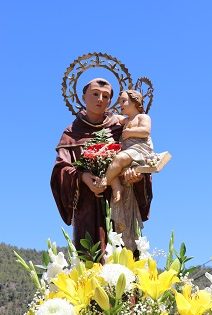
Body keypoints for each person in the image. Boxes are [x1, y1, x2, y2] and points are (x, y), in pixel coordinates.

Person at [50, 78, 153, 254]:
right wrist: (83, 177)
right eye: (95, 94)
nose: (100, 99)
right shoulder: (72, 133)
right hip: (87, 207)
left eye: (106, 96)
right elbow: (61, 170)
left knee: (123, 258)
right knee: (91, 260)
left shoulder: (121, 127)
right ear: (83, 97)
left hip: (120, 204)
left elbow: (140, 154)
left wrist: (136, 175)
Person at [100, 90, 156, 203]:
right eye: (120, 102)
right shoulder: (126, 120)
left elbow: (146, 131)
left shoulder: (142, 117)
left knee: (119, 158)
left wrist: (130, 132)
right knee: (109, 160)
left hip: (139, 149)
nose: (120, 105)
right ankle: (116, 186)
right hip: (128, 150)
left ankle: (105, 181)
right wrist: (104, 112)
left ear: (135, 102)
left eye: (123, 101)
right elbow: (116, 117)